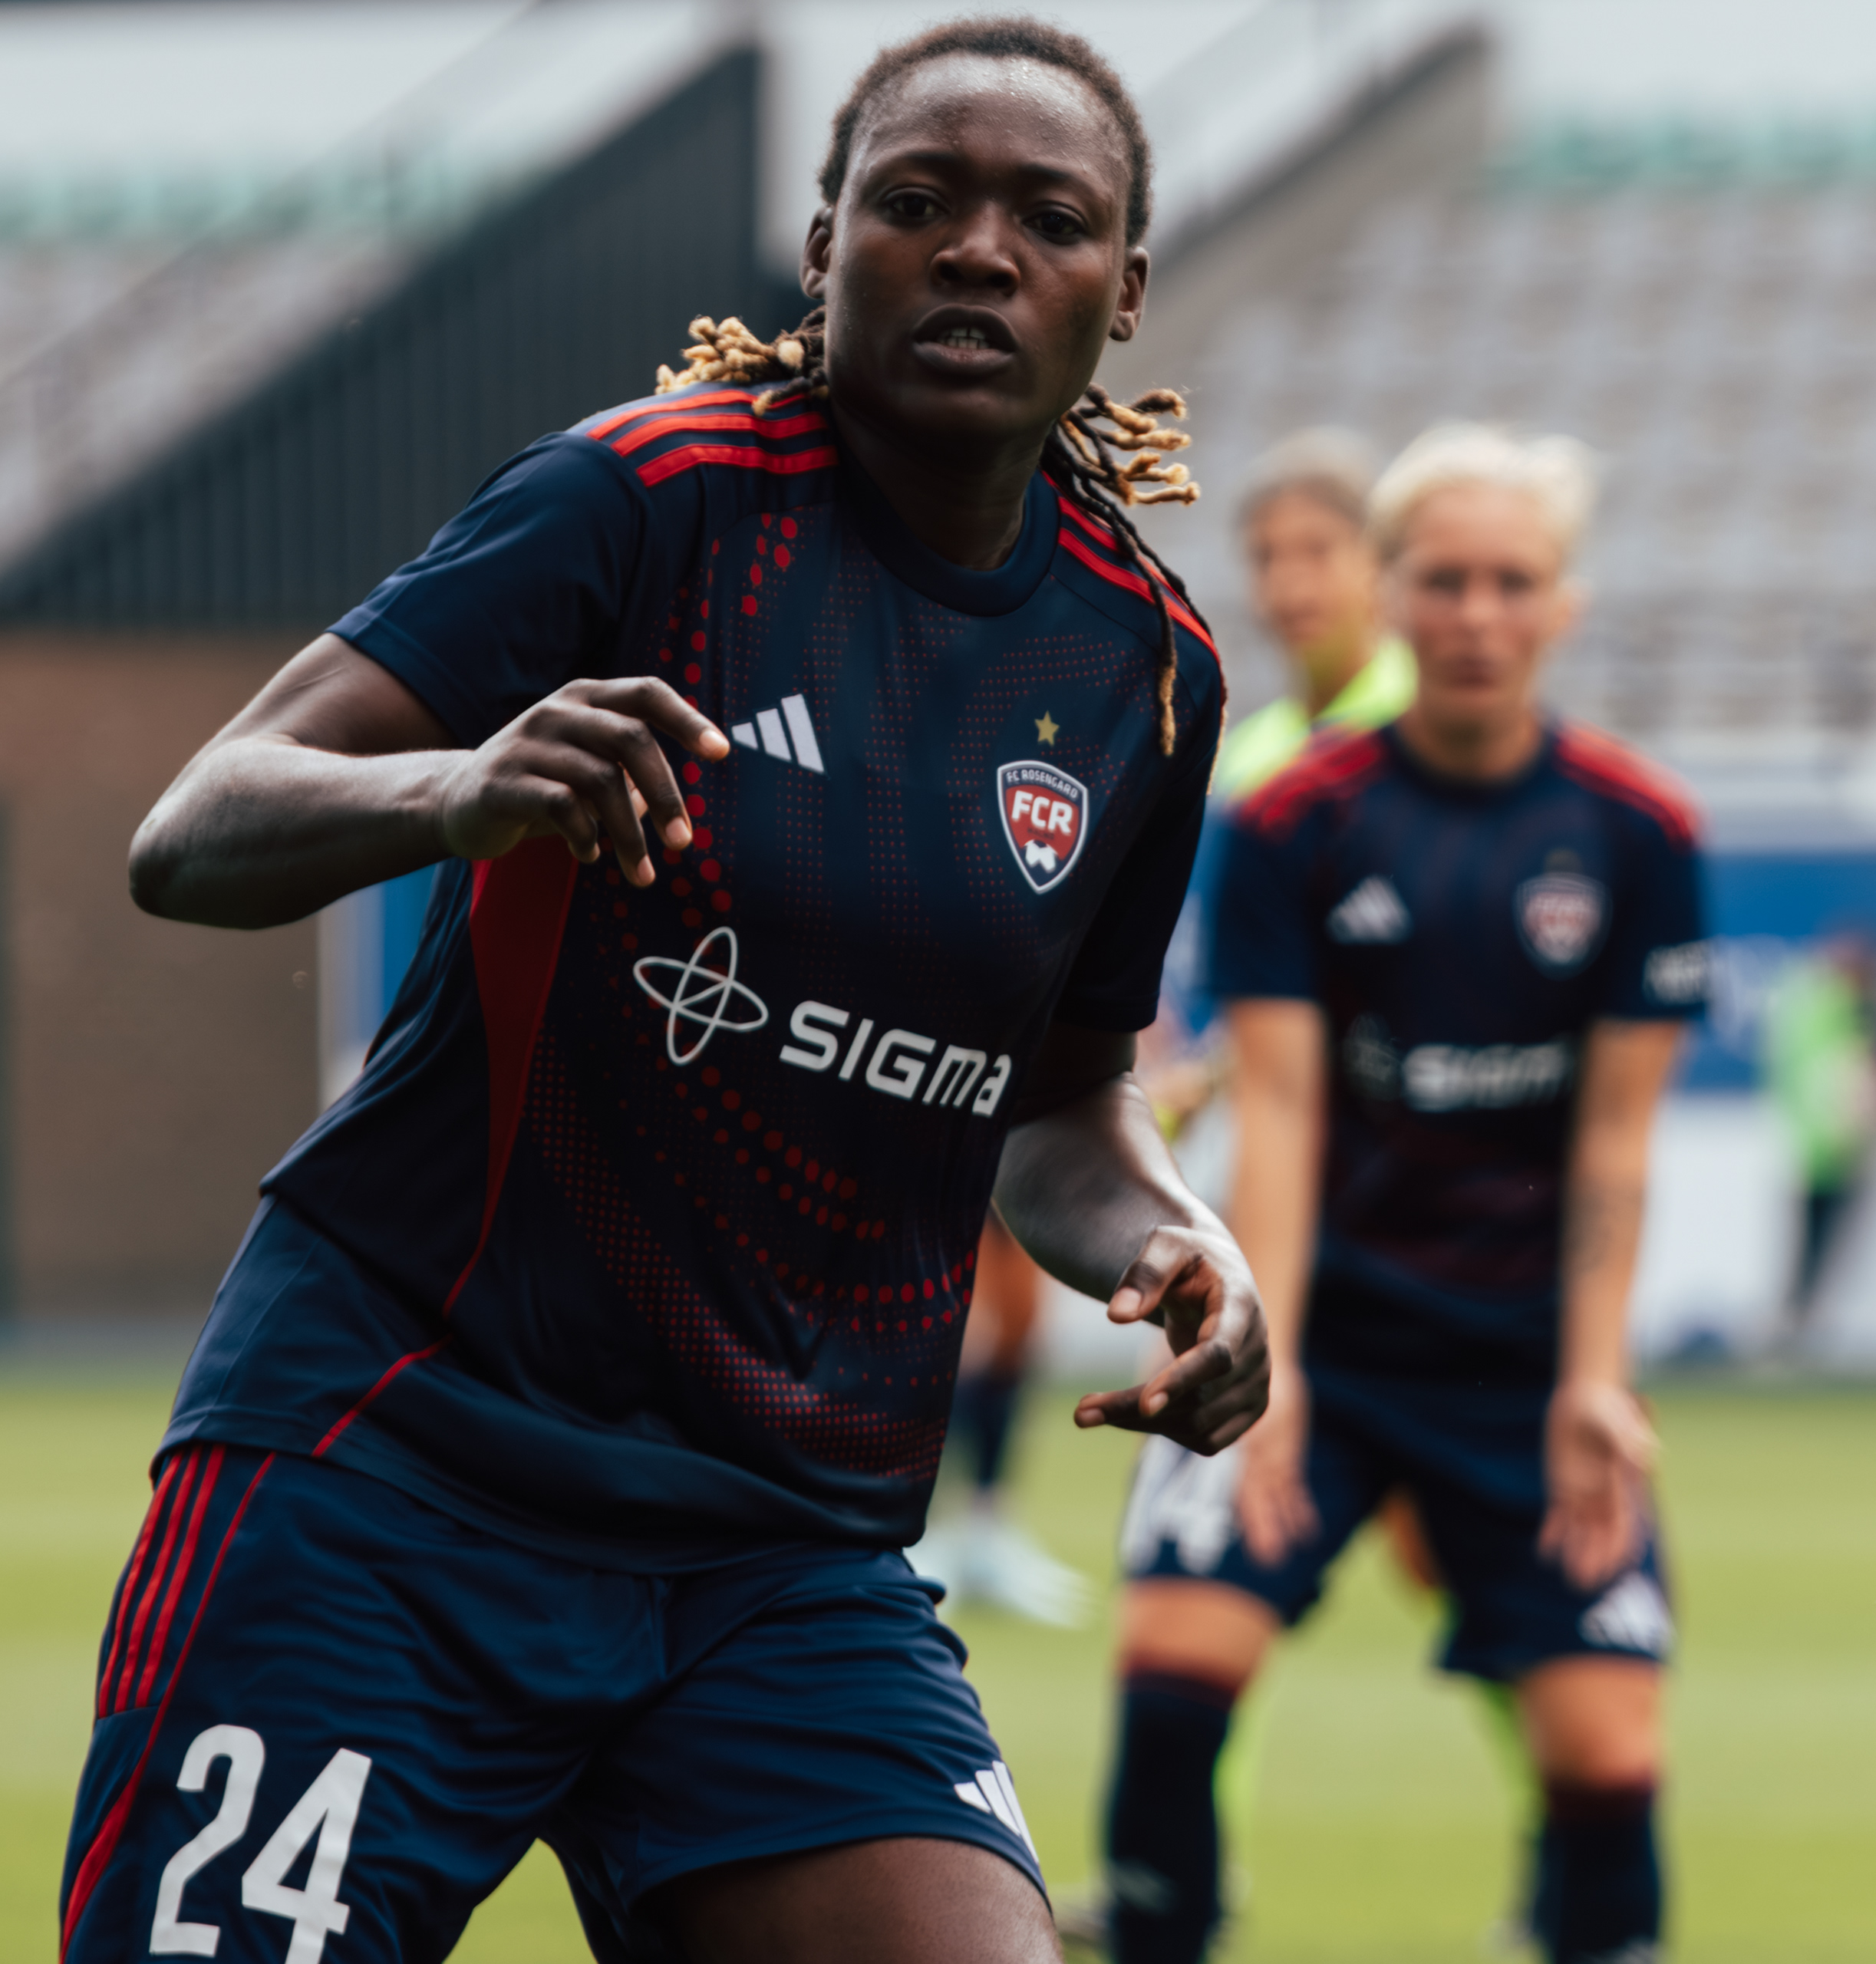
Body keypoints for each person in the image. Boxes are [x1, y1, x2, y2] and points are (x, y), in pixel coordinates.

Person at [63, 21, 1267, 1964]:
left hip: (775, 1547)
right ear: (821, 246)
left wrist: (1182, 1240)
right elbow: (195, 827)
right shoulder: (648, 500)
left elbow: (1055, 1105)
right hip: (400, 1473)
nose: (977, 248)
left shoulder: (1142, 670)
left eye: (1046, 219)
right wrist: (454, 787)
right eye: (916, 200)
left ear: (1120, 293)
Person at [1101, 424, 1712, 1964]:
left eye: (1514, 581)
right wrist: (1272, 1360)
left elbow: (1617, 1144)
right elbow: (1289, 1119)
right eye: (1443, 579)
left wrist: (1591, 1380)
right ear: (1392, 593)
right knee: (1175, 1666)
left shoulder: (1642, 832)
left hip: (1521, 1366)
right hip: (1335, 1336)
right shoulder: (1296, 821)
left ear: (1563, 605)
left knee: (1608, 1758)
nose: (1477, 612)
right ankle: (1166, 1923)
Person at [1210, 427, 1415, 801]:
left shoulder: (1426, 723)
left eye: (1317, 550)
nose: (1290, 585)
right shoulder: (1243, 759)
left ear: (1377, 560)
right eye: (1265, 557)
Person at [917, 1218, 1093, 1626]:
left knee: (1015, 1334)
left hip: (1005, 1169)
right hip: (935, 1170)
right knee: (960, 1333)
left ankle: (985, 1529)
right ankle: (928, 1531)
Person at [1762, 927, 1876, 1337]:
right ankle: (1793, 1324)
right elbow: (1849, 1079)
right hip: (1827, 1146)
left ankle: (1796, 1323)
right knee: (1811, 1247)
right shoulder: (1840, 1012)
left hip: (1826, 1146)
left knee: (1813, 1247)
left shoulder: (1813, 1006)